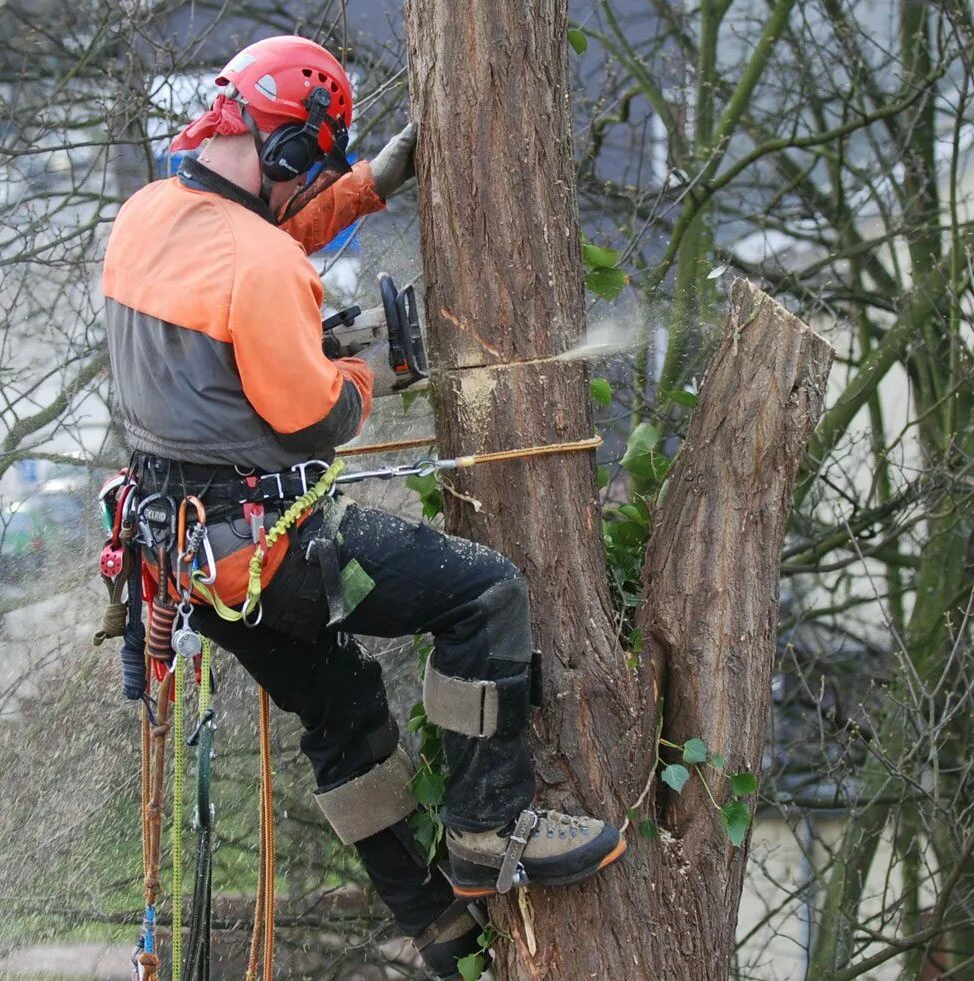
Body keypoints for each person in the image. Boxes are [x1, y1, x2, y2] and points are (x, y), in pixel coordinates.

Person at [100, 35, 625, 978]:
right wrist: (363, 366)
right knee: (487, 596)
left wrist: (373, 182)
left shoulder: (146, 216)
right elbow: (316, 419)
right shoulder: (260, 267)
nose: (312, 193)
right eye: (317, 174)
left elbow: (256, 244)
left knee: (344, 713)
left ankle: (435, 923)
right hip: (272, 549)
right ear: (292, 151)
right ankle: (491, 825)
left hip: (187, 560)